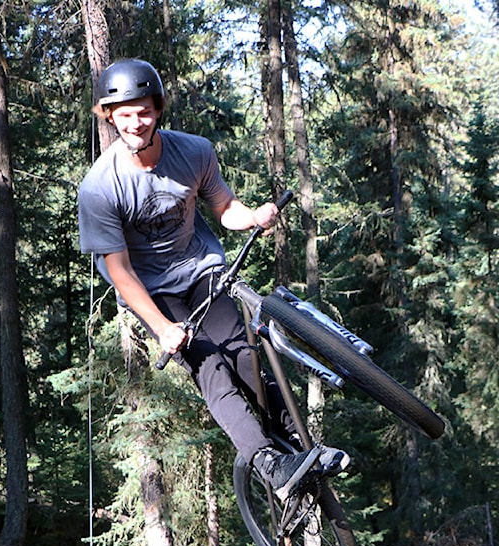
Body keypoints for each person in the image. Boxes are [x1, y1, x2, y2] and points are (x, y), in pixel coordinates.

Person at [77, 59, 346, 501]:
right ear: (109, 116)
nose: (135, 121)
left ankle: (301, 450)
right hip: (152, 291)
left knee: (244, 354)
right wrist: (163, 329)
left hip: (200, 270)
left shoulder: (194, 151)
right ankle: (269, 464)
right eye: (123, 113)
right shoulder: (99, 187)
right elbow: (119, 271)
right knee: (212, 369)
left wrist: (254, 217)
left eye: (143, 110)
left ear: (158, 109)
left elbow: (224, 208)